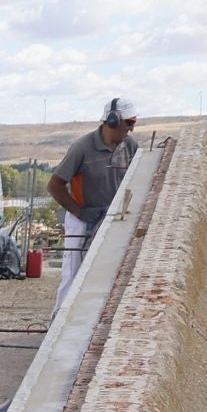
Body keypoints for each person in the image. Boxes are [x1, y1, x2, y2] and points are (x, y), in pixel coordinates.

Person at [48, 97, 140, 315]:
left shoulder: (130, 147)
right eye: (129, 123)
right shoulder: (82, 148)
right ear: (112, 120)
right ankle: (59, 319)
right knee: (73, 273)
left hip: (113, 217)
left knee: (109, 271)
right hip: (82, 218)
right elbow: (55, 186)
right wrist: (80, 212)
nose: (131, 129)